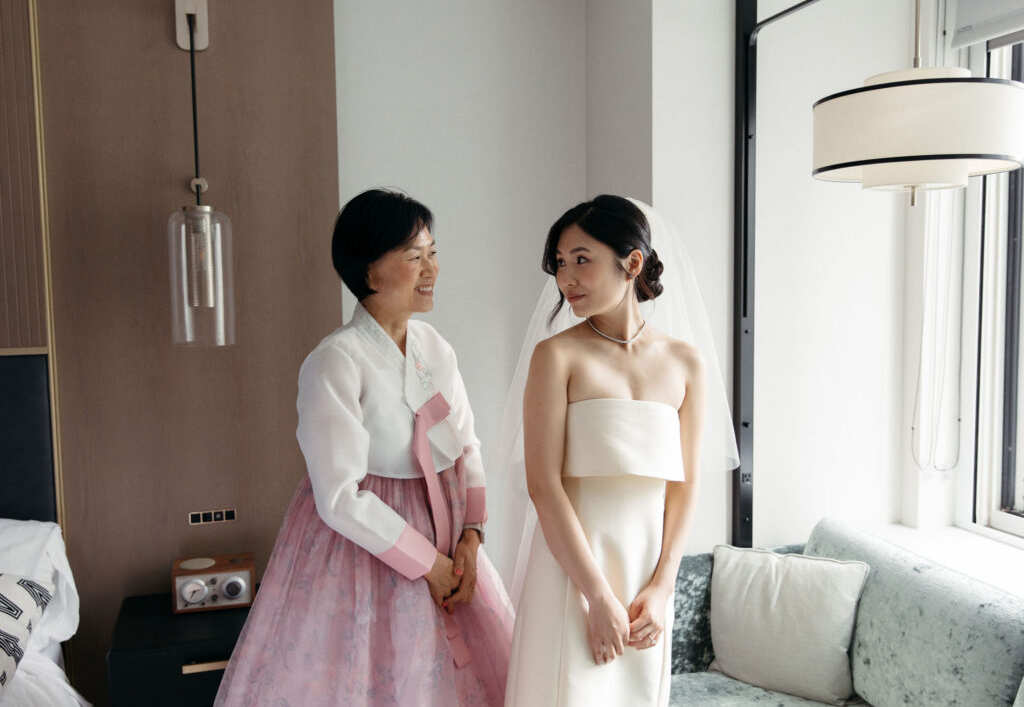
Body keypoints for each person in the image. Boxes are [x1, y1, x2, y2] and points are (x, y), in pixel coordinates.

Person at [216, 188, 513, 707]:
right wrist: (429, 563)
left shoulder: (436, 349)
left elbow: (467, 446)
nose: (431, 269)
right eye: (414, 256)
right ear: (370, 272)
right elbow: (339, 497)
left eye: (433, 253)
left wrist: (471, 536)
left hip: (451, 542)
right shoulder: (335, 361)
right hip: (368, 553)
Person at [503, 196, 737, 707]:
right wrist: (597, 596)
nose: (567, 279)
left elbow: (686, 484)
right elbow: (543, 487)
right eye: (561, 263)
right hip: (572, 573)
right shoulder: (556, 356)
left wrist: (663, 587)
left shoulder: (685, 362)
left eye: (582, 259)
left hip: (646, 586)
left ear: (631, 263)